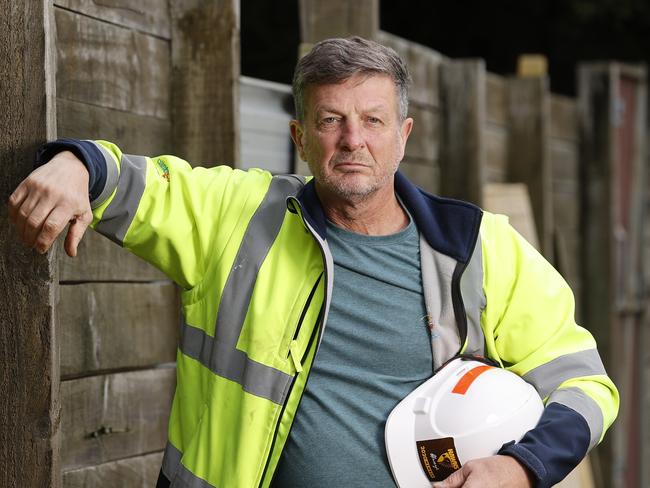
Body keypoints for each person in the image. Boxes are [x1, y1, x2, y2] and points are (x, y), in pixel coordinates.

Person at [8, 36, 618, 488]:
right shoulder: (239, 216)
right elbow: (140, 183)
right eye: (331, 121)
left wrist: (520, 466)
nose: (353, 141)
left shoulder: (478, 248)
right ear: (300, 137)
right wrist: (75, 164)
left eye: (372, 121)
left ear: (404, 134)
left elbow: (582, 382)